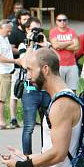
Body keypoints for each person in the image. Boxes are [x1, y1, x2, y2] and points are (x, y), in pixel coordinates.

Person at [18, 17, 51, 156]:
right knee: (29, 127)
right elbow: (25, 63)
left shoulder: (46, 46)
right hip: (30, 90)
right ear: (27, 30)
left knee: (48, 126)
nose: (36, 33)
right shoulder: (23, 46)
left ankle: (46, 155)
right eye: (33, 30)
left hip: (45, 90)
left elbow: (55, 63)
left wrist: (46, 46)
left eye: (39, 30)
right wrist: (31, 44)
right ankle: (28, 158)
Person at [0, 20, 22, 129]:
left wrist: (21, 51)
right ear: (1, 28)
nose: (9, 33)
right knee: (0, 98)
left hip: (7, 71)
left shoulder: (4, 38)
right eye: (8, 31)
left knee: (3, 97)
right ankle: (0, 122)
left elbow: (9, 50)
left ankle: (1, 121)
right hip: (0, 71)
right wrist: (15, 61)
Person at [49, 14, 79, 92]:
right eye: (60, 20)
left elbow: (76, 46)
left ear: (67, 21)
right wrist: (69, 42)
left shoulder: (72, 31)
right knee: (58, 89)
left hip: (72, 65)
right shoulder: (53, 32)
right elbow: (55, 45)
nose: (62, 22)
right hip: (59, 65)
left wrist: (61, 45)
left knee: (72, 90)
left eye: (64, 20)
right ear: (56, 22)